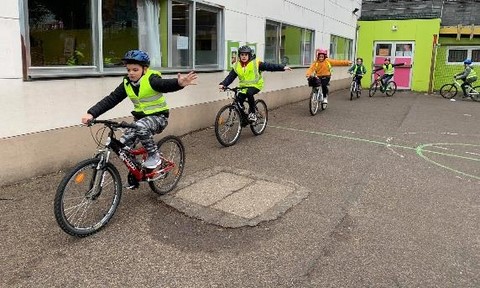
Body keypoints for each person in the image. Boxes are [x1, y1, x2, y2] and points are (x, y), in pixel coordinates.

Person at [81, 49, 197, 169]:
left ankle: (154, 155)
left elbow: (164, 84)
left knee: (141, 126)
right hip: (139, 121)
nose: (131, 73)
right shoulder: (127, 83)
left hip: (158, 118)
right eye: (128, 70)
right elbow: (111, 99)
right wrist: (91, 114)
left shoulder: (151, 80)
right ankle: (137, 171)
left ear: (144, 69)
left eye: (135, 70)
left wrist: (178, 83)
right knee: (123, 143)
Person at [219, 45, 292, 122]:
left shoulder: (256, 63)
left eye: (246, 55)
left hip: (256, 85)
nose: (244, 56)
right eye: (242, 55)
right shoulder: (237, 66)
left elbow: (269, 66)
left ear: (249, 55)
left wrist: (282, 67)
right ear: (239, 56)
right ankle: (243, 120)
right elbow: (230, 77)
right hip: (243, 87)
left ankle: (253, 114)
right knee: (238, 101)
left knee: (249, 93)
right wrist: (223, 84)